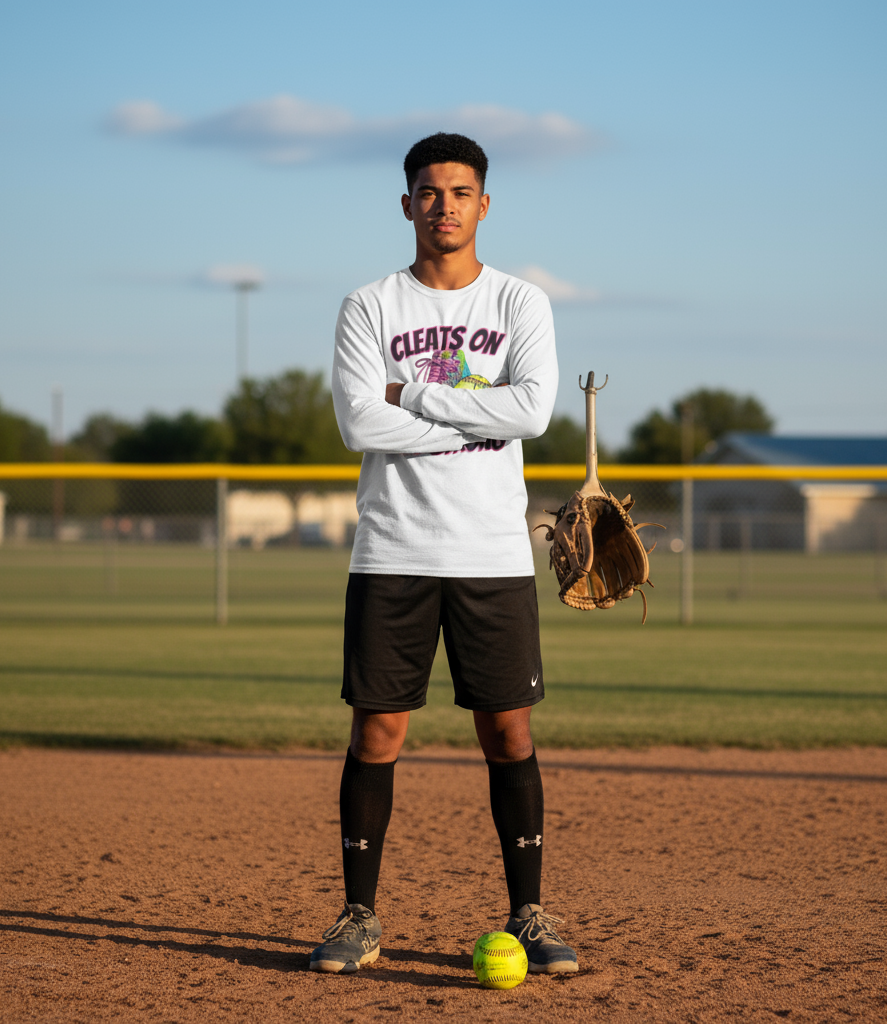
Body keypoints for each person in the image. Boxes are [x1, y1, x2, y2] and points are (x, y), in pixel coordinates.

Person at [310, 132, 577, 976]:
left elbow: (531, 413)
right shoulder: (372, 306)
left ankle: (529, 913)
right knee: (379, 728)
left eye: (461, 192)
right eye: (429, 192)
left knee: (507, 730)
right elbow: (360, 423)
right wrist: (474, 409)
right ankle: (360, 915)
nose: (444, 206)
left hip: (493, 550)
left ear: (484, 204)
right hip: (392, 547)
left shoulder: (520, 304)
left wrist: (411, 394)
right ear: (406, 204)